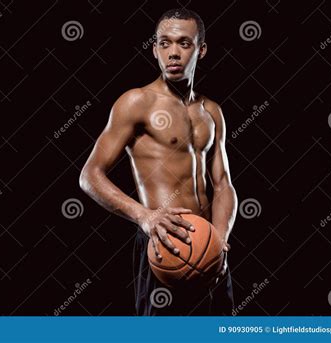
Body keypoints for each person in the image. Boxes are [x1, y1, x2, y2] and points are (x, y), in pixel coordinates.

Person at [79, 8, 237, 315]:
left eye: (183, 43)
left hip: (207, 245)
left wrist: (220, 240)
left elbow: (222, 185)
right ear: (154, 49)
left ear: (200, 49)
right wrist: (144, 216)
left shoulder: (211, 111)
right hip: (164, 243)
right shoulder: (137, 102)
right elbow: (90, 175)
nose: (173, 53)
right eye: (164, 43)